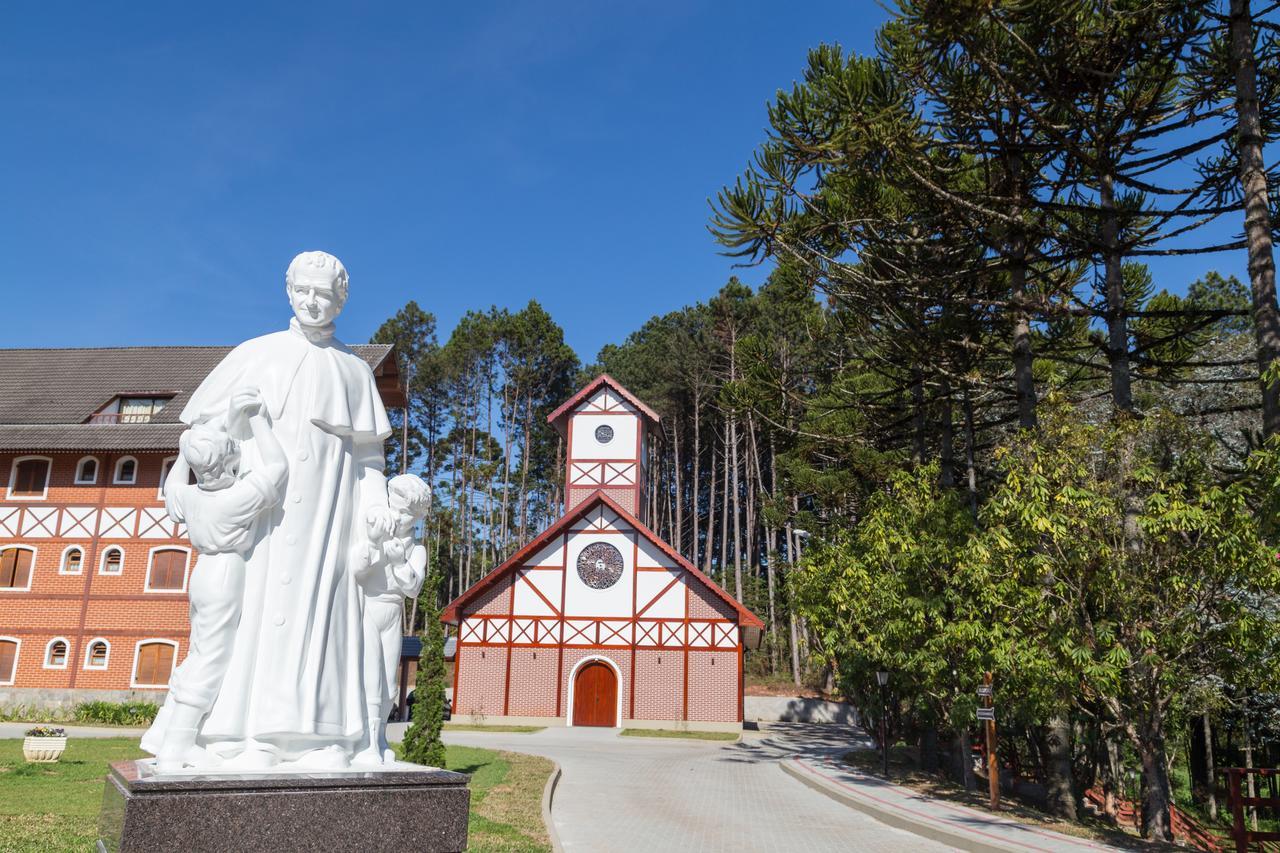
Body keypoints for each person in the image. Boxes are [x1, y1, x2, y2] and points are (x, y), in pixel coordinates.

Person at [178, 251, 394, 769]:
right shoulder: (255, 354)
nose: (314, 302)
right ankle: (238, 735)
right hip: (265, 520)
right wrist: (233, 416)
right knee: (255, 618)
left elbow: (369, 457)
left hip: (329, 517)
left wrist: (375, 508)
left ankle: (319, 739)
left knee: (323, 620)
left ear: (341, 299)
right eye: (305, 291)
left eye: (325, 293)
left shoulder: (355, 371)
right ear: (289, 291)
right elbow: (200, 439)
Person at [140, 387, 288, 771]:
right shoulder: (234, 498)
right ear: (229, 463)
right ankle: (178, 743)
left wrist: (184, 449)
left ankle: (172, 737)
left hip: (202, 573)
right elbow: (278, 468)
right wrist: (256, 418)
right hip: (225, 573)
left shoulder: (191, 497)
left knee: (199, 651)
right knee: (212, 657)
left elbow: (172, 488)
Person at [353, 474, 429, 766]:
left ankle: (381, 735)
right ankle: (367, 741)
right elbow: (357, 569)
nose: (400, 518)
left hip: (393, 611)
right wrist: (373, 543)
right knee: (369, 676)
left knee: (389, 681)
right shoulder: (375, 533)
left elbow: (413, 588)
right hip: (369, 607)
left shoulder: (416, 549)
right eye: (396, 510)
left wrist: (399, 561)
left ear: (417, 516)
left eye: (407, 514)